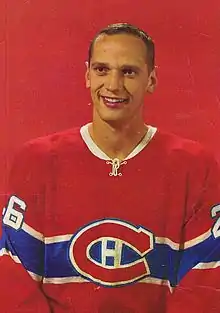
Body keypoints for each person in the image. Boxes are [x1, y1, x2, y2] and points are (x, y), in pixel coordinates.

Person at [0, 22, 220, 313]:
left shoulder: (195, 166)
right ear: (87, 75)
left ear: (151, 80)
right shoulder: (37, 161)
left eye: (128, 72)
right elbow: (12, 276)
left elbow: (206, 279)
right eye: (102, 70)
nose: (113, 85)